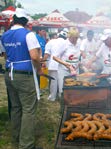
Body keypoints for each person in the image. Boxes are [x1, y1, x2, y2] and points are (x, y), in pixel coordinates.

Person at [1, 8, 43, 149]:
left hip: (9, 74)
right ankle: (26, 145)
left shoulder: (4, 35)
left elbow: (6, 56)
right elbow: (35, 56)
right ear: (25, 21)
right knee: (28, 109)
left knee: (16, 108)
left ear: (14, 20)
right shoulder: (28, 34)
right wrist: (39, 69)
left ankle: (16, 138)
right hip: (24, 76)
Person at [53, 28, 80, 98]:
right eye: (75, 38)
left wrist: (80, 62)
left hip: (75, 70)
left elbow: (78, 56)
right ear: (70, 37)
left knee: (75, 88)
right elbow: (55, 57)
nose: (76, 39)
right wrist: (65, 64)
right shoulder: (64, 44)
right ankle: (63, 104)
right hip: (64, 71)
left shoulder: (78, 43)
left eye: (77, 38)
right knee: (63, 89)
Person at [43, 30, 67, 101]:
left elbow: (46, 55)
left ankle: (52, 97)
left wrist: (42, 61)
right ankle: (61, 96)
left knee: (53, 82)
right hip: (62, 64)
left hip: (53, 64)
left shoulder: (50, 42)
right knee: (62, 81)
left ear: (58, 36)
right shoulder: (66, 42)